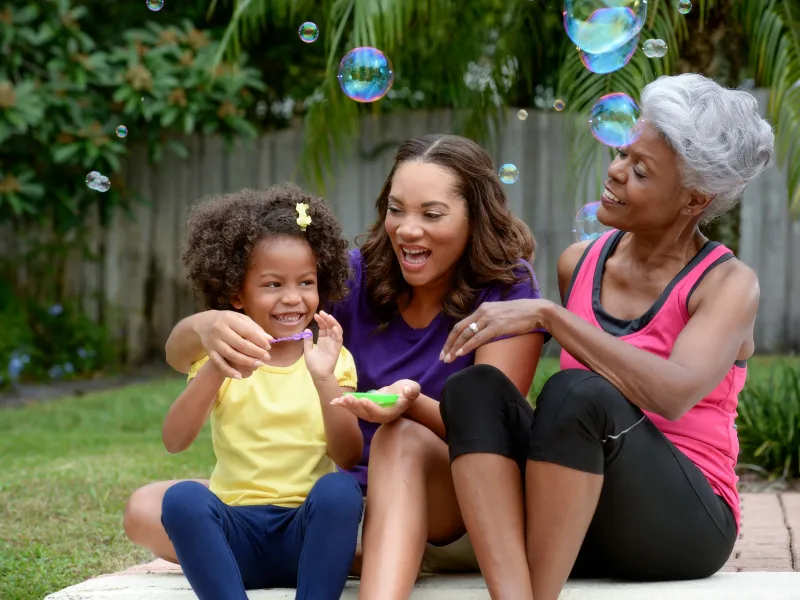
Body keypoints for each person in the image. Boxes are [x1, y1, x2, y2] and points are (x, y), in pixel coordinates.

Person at [122, 134, 546, 598]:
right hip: (346, 505)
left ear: (475, 218)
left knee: (398, 438)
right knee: (148, 507)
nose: (407, 229)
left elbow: (493, 433)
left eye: (431, 213)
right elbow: (177, 353)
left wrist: (409, 405)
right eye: (397, 209)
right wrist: (206, 325)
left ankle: (373, 562)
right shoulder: (356, 276)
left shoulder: (507, 289)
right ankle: (312, 553)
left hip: (454, 504)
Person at [437, 73, 776, 600]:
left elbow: (674, 391)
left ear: (694, 199)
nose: (615, 172)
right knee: (473, 389)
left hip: (682, 525)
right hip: (580, 516)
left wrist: (553, 317)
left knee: (579, 392)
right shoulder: (581, 264)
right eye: (622, 154)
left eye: (640, 170)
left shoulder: (729, 284)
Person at [152, 184, 365, 600]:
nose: (292, 297)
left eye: (306, 282)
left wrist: (324, 379)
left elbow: (349, 456)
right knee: (181, 499)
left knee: (340, 489)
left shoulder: (332, 358)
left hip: (304, 538)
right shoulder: (217, 361)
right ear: (236, 294)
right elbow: (174, 441)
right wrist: (217, 367)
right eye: (271, 284)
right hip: (236, 539)